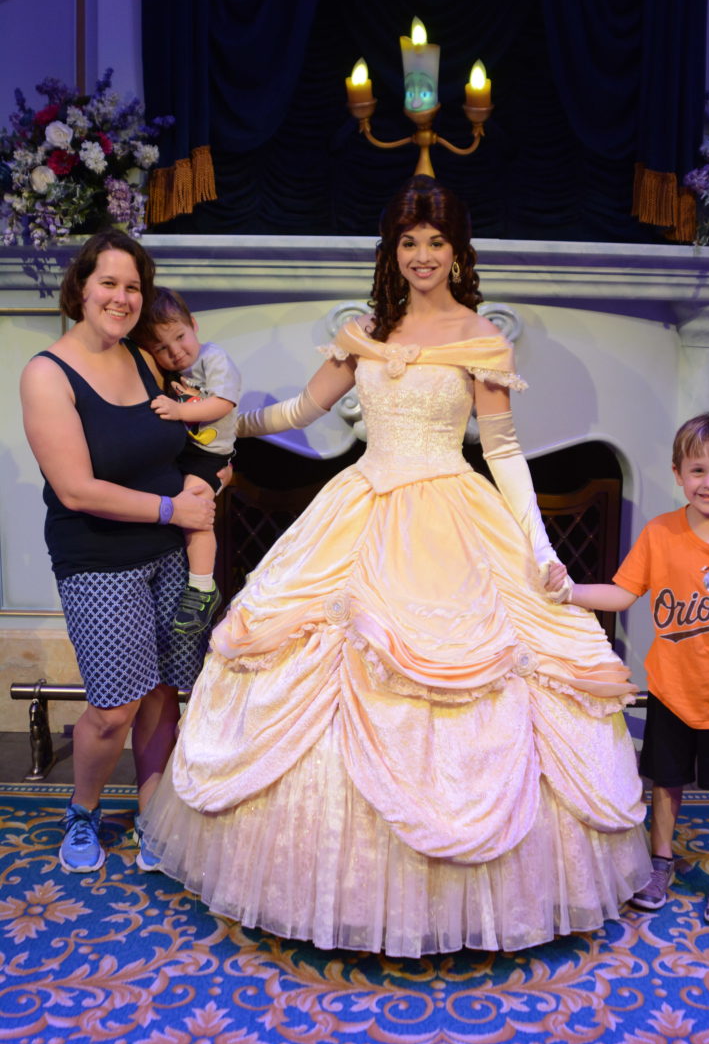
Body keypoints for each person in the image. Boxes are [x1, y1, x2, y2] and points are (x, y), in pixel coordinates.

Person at [139, 175, 650, 956]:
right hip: (361, 503)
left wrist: (540, 548)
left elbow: (504, 451)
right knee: (308, 651)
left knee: (482, 670)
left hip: (450, 512)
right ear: (392, 250)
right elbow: (300, 411)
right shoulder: (365, 331)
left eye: (436, 242)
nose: (422, 256)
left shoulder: (482, 338)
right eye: (409, 242)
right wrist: (215, 428)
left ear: (457, 251)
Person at [19, 231, 216, 875]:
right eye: (109, 283)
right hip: (99, 560)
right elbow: (76, 489)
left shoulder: (144, 357)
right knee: (114, 708)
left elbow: (192, 440)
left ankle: (154, 814)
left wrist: (206, 482)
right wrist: (173, 509)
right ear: (81, 287)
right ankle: (82, 811)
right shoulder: (46, 374)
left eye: (134, 287)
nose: (122, 297)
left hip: (172, 551)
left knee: (162, 693)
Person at [570, 413, 709, 926]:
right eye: (698, 470)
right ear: (678, 474)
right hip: (671, 691)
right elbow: (622, 593)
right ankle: (659, 861)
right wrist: (568, 591)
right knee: (665, 782)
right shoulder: (660, 533)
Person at [132, 287, 241, 634]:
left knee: (195, 507)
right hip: (183, 451)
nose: (175, 352)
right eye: (162, 348)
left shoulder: (213, 357)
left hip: (209, 454)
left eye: (179, 337)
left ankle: (203, 587)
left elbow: (223, 403)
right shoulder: (166, 373)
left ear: (193, 325)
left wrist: (180, 411)